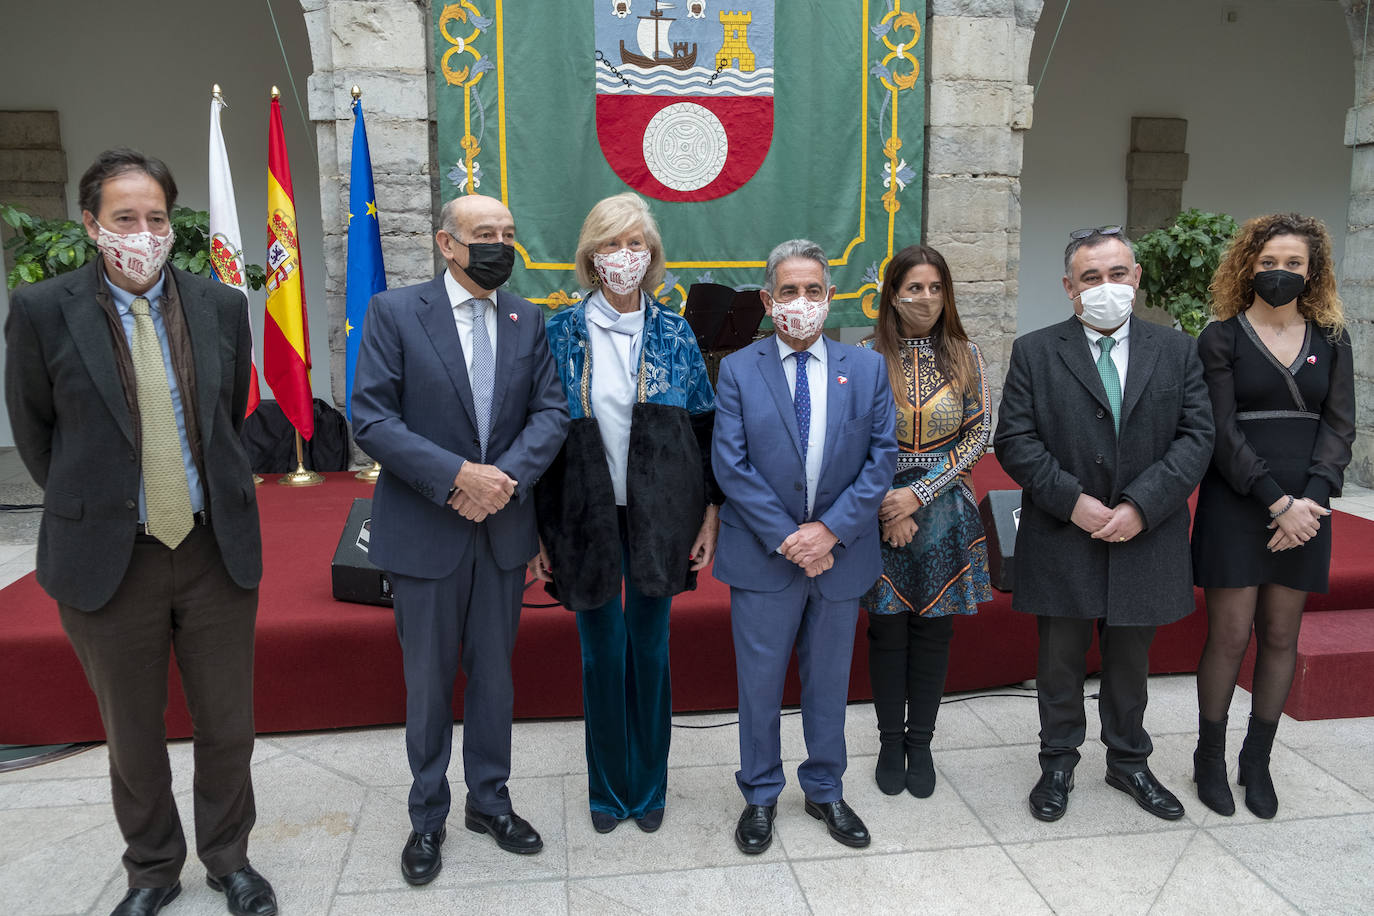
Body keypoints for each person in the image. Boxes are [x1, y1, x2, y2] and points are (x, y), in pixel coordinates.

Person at [4, 149, 275, 916]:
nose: (145, 232)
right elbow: (37, 433)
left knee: (227, 724)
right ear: (91, 226)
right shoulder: (43, 310)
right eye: (125, 218)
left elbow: (224, 422)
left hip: (211, 550)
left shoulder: (220, 306)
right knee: (132, 731)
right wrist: (99, 500)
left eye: (156, 217)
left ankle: (230, 860)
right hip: (108, 559)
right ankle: (153, 868)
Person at [351, 194, 569, 885]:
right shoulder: (395, 313)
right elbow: (372, 418)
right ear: (447, 244)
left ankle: (491, 801)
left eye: (508, 233)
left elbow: (551, 412)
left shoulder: (527, 318)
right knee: (426, 684)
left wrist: (501, 479)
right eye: (484, 234)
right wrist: (456, 478)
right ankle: (426, 816)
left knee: (496, 679)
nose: (499, 244)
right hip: (425, 530)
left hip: (501, 529)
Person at [993, 226, 1213, 824]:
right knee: (1059, 660)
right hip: (1064, 532)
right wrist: (1074, 501)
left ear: (1136, 278)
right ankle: (1058, 761)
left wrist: (1141, 505)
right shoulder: (1036, 351)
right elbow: (1013, 438)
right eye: (1091, 277)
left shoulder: (1176, 350)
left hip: (1146, 533)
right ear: (1069, 287)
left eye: (1118, 274)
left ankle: (1129, 762)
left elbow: (1198, 438)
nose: (1106, 287)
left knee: (1129, 662)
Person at [532, 192, 720, 834]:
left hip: (660, 516)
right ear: (590, 256)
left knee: (650, 649)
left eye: (635, 243)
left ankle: (650, 785)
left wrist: (709, 513)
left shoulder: (674, 331)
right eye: (610, 244)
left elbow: (703, 429)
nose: (623, 256)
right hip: (581, 515)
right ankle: (608, 788)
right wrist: (540, 529)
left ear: (652, 254)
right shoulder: (557, 331)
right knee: (600, 654)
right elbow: (537, 433)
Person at [712, 239, 897, 854]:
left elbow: (881, 461)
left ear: (830, 296)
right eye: (787, 292)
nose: (801, 302)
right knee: (759, 684)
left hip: (840, 556)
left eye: (812, 291)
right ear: (768, 300)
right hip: (767, 554)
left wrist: (830, 532)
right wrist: (792, 538)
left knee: (829, 682)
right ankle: (760, 793)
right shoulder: (739, 369)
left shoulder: (866, 367)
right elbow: (731, 466)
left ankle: (825, 787)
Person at [1190, 214, 1355, 819]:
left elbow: (1340, 425)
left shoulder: (1333, 337)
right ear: (1247, 266)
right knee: (1230, 635)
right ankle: (1209, 758)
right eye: (1268, 263)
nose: (1279, 273)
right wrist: (1275, 501)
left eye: (1293, 264)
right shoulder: (1220, 337)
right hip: (1240, 499)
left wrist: (1310, 498)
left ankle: (1255, 761)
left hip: (1308, 506)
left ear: (1312, 273)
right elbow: (1220, 430)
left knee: (1282, 635)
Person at [860, 244, 992, 798]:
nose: (927, 299)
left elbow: (980, 434)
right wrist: (889, 504)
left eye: (936, 288)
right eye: (915, 288)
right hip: (877, 508)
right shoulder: (866, 356)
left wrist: (919, 495)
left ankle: (921, 743)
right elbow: (855, 441)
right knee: (887, 630)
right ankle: (891, 741)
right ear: (893, 293)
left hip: (943, 512)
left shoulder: (967, 355)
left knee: (934, 632)